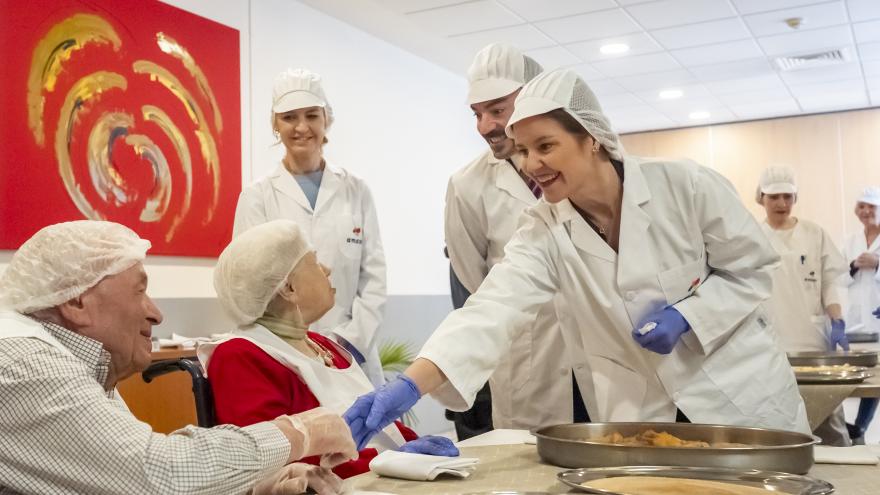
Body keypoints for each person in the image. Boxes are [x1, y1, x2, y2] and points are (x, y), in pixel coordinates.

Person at [344, 68, 810, 449]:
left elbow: (753, 269)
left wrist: (690, 315)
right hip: (642, 412)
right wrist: (411, 384)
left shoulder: (685, 186)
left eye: (545, 146)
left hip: (740, 397)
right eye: (524, 150)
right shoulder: (544, 227)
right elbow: (492, 309)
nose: (531, 164)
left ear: (592, 139)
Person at [0, 221, 357, 495]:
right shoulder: (26, 365)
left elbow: (123, 480)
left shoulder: (86, 362)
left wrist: (255, 485)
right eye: (140, 290)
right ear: (76, 301)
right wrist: (299, 432)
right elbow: (159, 473)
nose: (156, 314)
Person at [199, 219, 458, 479]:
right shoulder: (239, 357)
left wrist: (416, 446)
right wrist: (391, 460)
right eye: (314, 262)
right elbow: (274, 459)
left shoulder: (324, 345)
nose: (327, 269)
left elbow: (379, 426)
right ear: (288, 288)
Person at [444, 43, 578, 438]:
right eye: (477, 113)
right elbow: (473, 285)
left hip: (600, 348)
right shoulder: (467, 186)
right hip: (528, 360)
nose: (485, 126)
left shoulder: (580, 165)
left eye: (497, 110)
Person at [233, 68, 386, 386]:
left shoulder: (356, 190)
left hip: (352, 353)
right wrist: (293, 345)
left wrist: (349, 342)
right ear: (275, 124)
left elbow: (374, 279)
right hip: (287, 356)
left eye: (311, 115)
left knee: (367, 434)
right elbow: (249, 286)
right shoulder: (258, 197)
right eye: (289, 117)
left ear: (326, 119)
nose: (302, 127)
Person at [755, 166, 850, 445]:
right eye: (774, 197)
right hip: (770, 343)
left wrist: (837, 319)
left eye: (788, 196)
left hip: (812, 340)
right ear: (761, 198)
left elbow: (829, 282)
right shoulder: (752, 236)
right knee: (779, 419)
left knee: (828, 416)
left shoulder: (813, 233)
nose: (782, 204)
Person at [843, 187, 880, 443]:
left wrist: (877, 264)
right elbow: (838, 274)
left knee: (878, 376)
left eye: (871, 207)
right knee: (862, 374)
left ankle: (860, 427)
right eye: (861, 207)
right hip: (857, 318)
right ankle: (856, 430)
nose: (866, 212)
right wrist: (854, 265)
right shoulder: (850, 240)